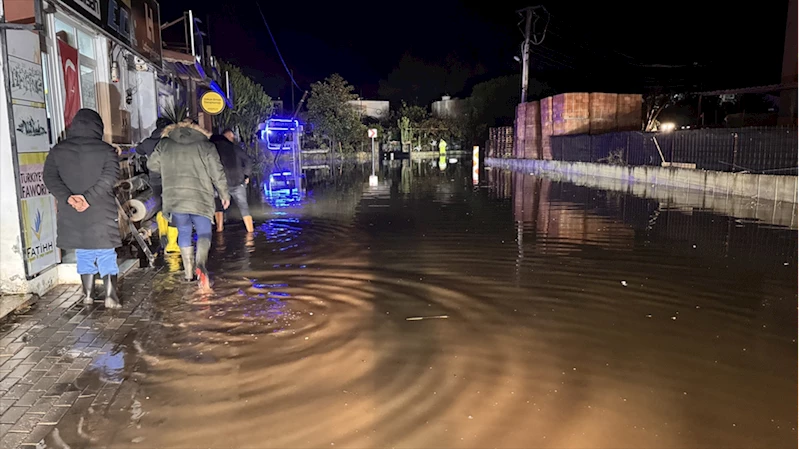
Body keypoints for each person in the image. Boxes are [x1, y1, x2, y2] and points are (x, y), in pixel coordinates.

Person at [43, 109, 123, 309]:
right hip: (100, 209)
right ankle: (110, 296)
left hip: (71, 211)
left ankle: (87, 295)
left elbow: (50, 178)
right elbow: (110, 177)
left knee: (84, 251)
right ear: (98, 127)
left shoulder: (58, 150)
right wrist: (88, 198)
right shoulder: (106, 150)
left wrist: (69, 198)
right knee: (105, 251)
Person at [148, 119, 230, 289]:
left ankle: (188, 274)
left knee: (184, 231)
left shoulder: (165, 143)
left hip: (175, 198)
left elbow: (152, 165)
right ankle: (201, 265)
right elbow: (217, 172)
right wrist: (224, 194)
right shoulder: (206, 146)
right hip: (201, 198)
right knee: (204, 233)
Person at [135, 117, 175, 253]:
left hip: (155, 177)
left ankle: (160, 231)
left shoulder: (147, 142)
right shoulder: (171, 141)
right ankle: (170, 237)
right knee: (171, 206)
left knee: (158, 203)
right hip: (170, 177)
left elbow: (138, 151)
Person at [211, 129, 254, 233]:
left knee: (218, 206)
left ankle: (219, 229)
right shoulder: (235, 148)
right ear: (228, 137)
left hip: (220, 184)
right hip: (237, 181)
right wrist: (246, 175)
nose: (234, 139)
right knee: (244, 207)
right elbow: (248, 160)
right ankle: (250, 232)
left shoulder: (213, 148)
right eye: (232, 137)